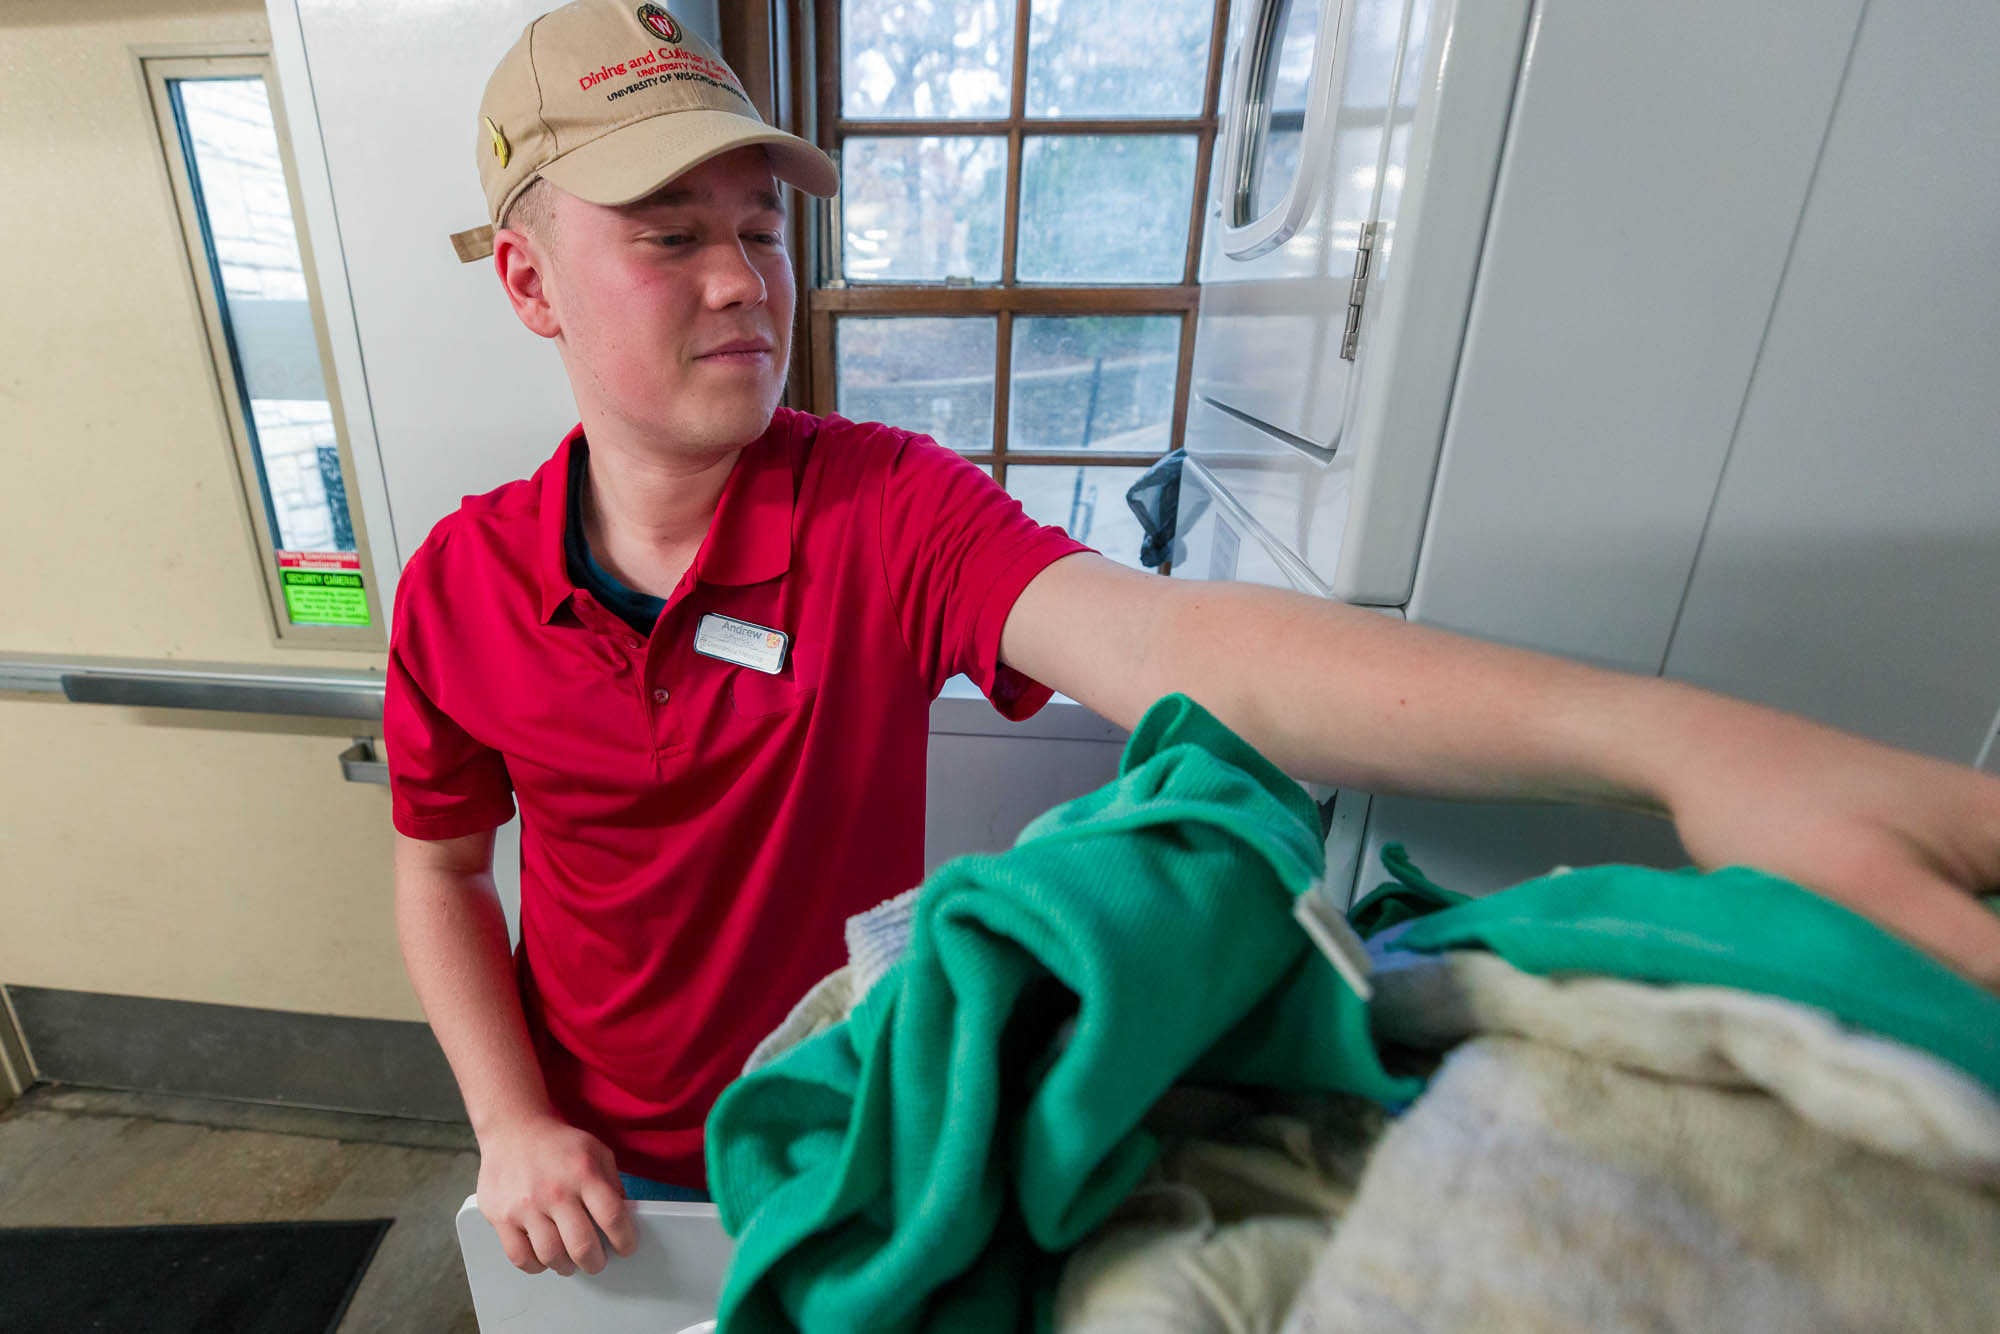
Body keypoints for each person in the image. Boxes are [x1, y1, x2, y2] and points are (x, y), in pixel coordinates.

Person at [391, 0, 2000, 1282]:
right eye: (671, 235)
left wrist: (1682, 746)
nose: (749, 280)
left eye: (761, 225)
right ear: (531, 280)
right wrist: (510, 1118)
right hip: (586, 1171)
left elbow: (1185, 644)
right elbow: (445, 872)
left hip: (847, 1117)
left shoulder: (878, 506)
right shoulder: (457, 585)